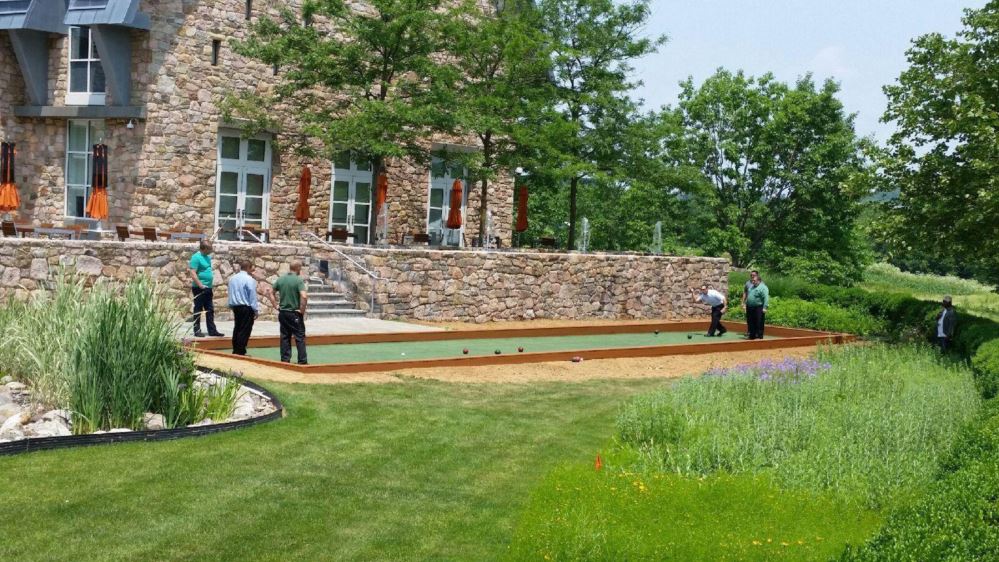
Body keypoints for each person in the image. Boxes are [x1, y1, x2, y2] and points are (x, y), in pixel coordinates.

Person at [228, 259, 277, 356]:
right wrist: (255, 310)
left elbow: (230, 292)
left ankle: (236, 349)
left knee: (237, 327)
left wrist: (231, 305)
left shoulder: (232, 278)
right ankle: (240, 351)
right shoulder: (249, 279)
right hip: (246, 307)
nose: (252, 271)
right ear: (248, 268)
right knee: (245, 329)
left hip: (236, 307)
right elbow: (252, 296)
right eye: (252, 269)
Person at [272, 260, 309, 365]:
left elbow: (271, 292)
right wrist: (302, 310)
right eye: (300, 268)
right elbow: (304, 296)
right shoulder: (298, 280)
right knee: (299, 337)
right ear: (297, 268)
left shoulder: (281, 279)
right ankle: (302, 361)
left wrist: (276, 305)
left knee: (284, 336)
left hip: (283, 313)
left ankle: (285, 360)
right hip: (294, 313)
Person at [189, 240, 224, 338]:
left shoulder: (207, 257)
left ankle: (212, 331)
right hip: (199, 288)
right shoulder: (195, 257)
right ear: (204, 248)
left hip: (208, 288)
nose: (211, 251)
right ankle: (197, 330)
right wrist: (200, 285)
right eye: (209, 249)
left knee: (210, 309)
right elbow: (193, 273)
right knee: (198, 309)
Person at [745, 273, 770, 340]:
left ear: (759, 281)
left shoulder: (763, 287)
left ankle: (759, 336)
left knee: (759, 321)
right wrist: (745, 304)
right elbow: (749, 296)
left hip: (758, 307)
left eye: (754, 280)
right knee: (750, 321)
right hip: (750, 307)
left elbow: (766, 298)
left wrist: (765, 307)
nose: (753, 282)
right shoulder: (751, 287)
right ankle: (752, 335)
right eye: (752, 280)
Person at [741, 270, 759, 337]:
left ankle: (756, 333)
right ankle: (749, 332)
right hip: (748, 303)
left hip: (756, 304)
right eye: (751, 275)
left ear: (757, 276)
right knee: (749, 318)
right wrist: (743, 302)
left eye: (754, 275)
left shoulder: (760, 283)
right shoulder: (747, 283)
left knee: (756, 318)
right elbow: (745, 292)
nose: (752, 276)